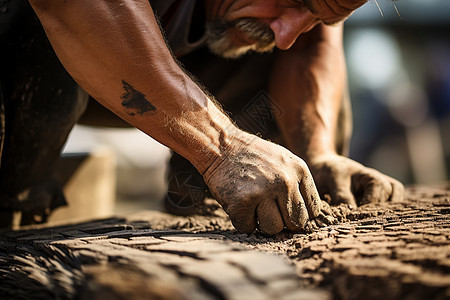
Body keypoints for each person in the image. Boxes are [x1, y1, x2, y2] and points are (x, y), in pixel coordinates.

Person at [0, 0, 403, 233]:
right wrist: (222, 148)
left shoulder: (288, 21)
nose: (288, 34)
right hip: (36, 41)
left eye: (316, 14)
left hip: (161, 69)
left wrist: (316, 151)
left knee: (272, 46)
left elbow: (311, 41)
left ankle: (207, 222)